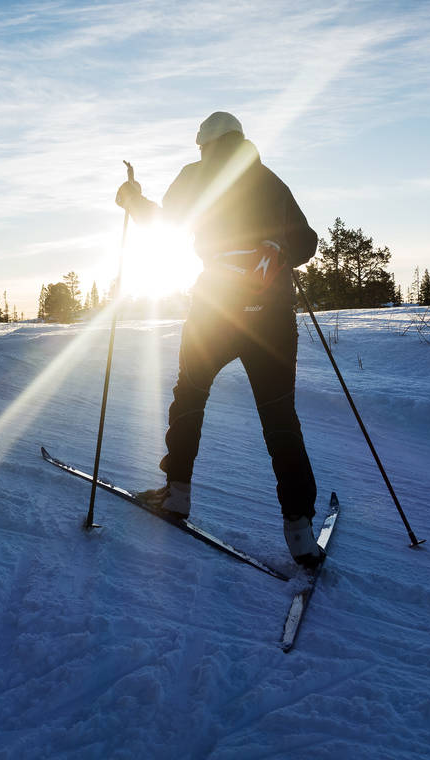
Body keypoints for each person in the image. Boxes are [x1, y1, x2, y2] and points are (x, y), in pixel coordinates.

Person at [114, 110, 325, 567]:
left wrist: (132, 198)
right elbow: (307, 243)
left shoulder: (196, 175)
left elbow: (164, 223)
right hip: (271, 317)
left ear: (205, 145)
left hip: (216, 311)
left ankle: (177, 494)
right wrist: (277, 250)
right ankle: (300, 531)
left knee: (190, 393)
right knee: (279, 414)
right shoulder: (270, 180)